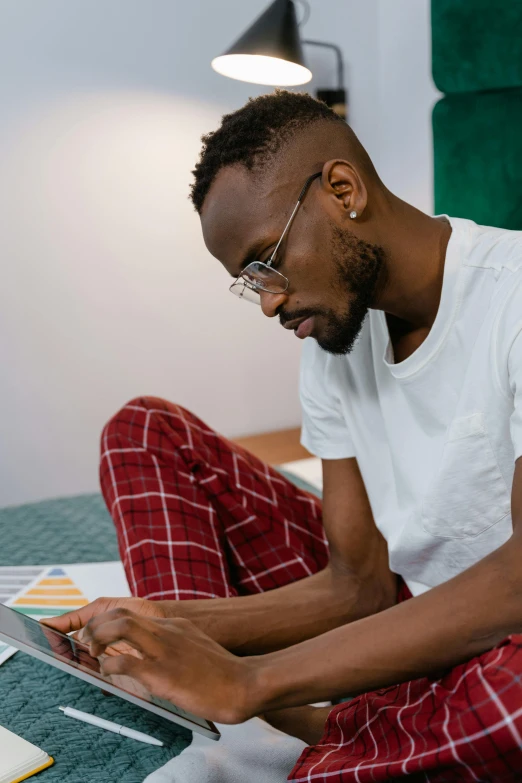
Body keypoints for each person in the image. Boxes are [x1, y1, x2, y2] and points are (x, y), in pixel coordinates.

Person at [45, 91, 522, 781]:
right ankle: (188, 689)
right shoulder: (337, 333)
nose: (268, 300)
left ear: (343, 188)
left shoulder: (511, 296)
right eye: (249, 281)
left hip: (499, 632)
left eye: (267, 260)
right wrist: (165, 624)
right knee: (142, 428)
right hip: (401, 612)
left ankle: (311, 722)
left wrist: (255, 681)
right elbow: (358, 586)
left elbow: (516, 584)